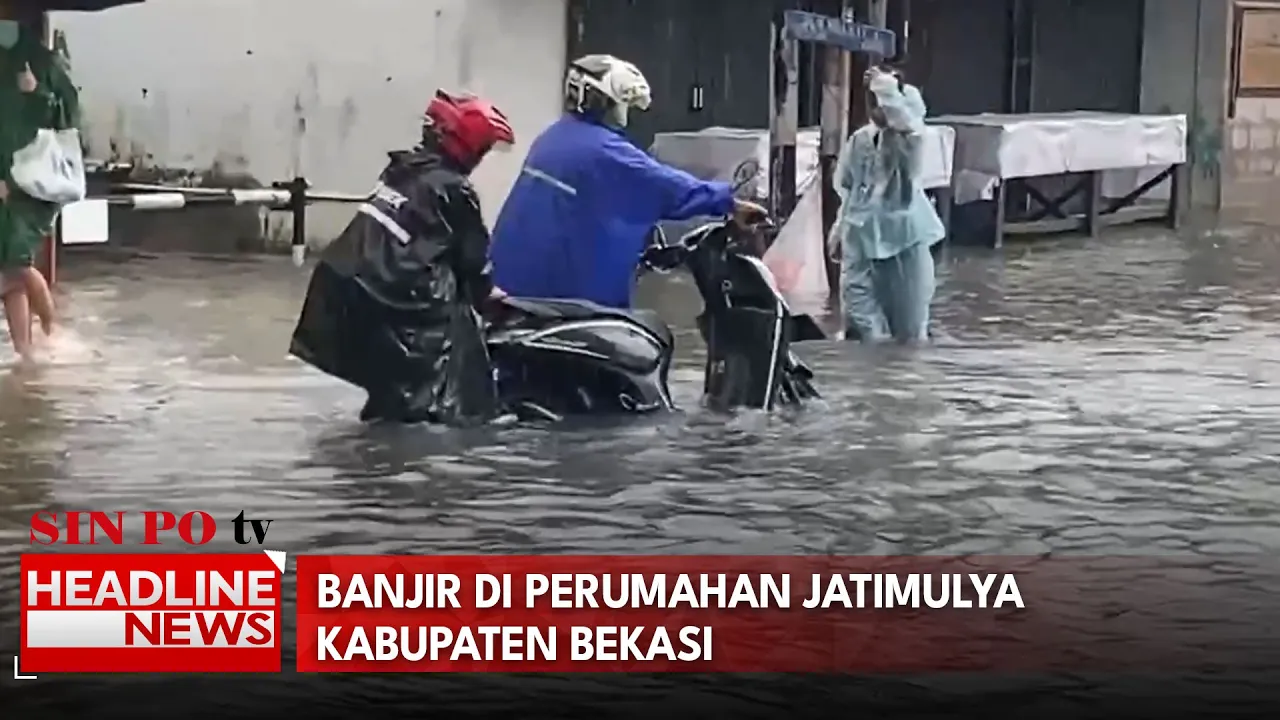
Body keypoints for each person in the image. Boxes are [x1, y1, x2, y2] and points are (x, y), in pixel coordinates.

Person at [288, 90, 514, 425]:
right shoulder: (454, 189)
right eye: (483, 149)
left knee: (391, 394)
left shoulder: (402, 169)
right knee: (438, 400)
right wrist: (492, 299)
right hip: (395, 299)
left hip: (341, 287)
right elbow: (474, 264)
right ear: (468, 145)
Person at [488, 54, 765, 310]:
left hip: (514, 283)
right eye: (622, 103)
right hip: (561, 295)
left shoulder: (553, 136)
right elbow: (665, 185)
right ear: (604, 102)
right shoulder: (605, 151)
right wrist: (729, 202)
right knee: (638, 343)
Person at [830, 65, 944, 344]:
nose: (877, 109)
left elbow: (907, 124)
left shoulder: (911, 139)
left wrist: (886, 88)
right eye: (872, 102)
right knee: (862, 323)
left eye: (880, 102)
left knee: (910, 332)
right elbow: (849, 188)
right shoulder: (860, 140)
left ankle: (902, 381)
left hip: (904, 240)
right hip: (860, 238)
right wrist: (838, 229)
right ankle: (876, 379)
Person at [0, 15, 75, 362]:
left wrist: (36, 94)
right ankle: (27, 350)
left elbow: (67, 121)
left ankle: (49, 331)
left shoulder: (46, 66)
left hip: (33, 184)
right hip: (8, 179)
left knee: (16, 264)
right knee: (11, 269)